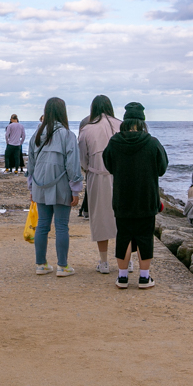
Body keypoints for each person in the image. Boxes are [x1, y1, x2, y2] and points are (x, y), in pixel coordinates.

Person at [103, 102, 168, 289]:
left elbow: (109, 165)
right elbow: (162, 168)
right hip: (146, 199)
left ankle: (122, 277)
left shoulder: (114, 142)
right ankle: (144, 278)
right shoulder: (152, 142)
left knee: (123, 236)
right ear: (142, 122)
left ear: (125, 121)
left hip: (122, 198)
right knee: (145, 237)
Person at [27, 97, 83, 277]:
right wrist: (75, 189)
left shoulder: (36, 134)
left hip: (39, 185)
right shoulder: (67, 134)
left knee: (42, 225)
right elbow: (72, 164)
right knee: (61, 226)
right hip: (61, 185)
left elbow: (31, 165)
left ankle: (41, 264)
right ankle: (62, 266)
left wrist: (31, 187)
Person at [77, 95, 121, 274]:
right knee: (124, 219)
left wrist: (88, 168)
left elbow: (83, 158)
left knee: (100, 218)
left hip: (97, 175)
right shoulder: (121, 125)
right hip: (121, 177)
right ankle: (128, 260)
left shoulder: (87, 129)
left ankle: (104, 262)